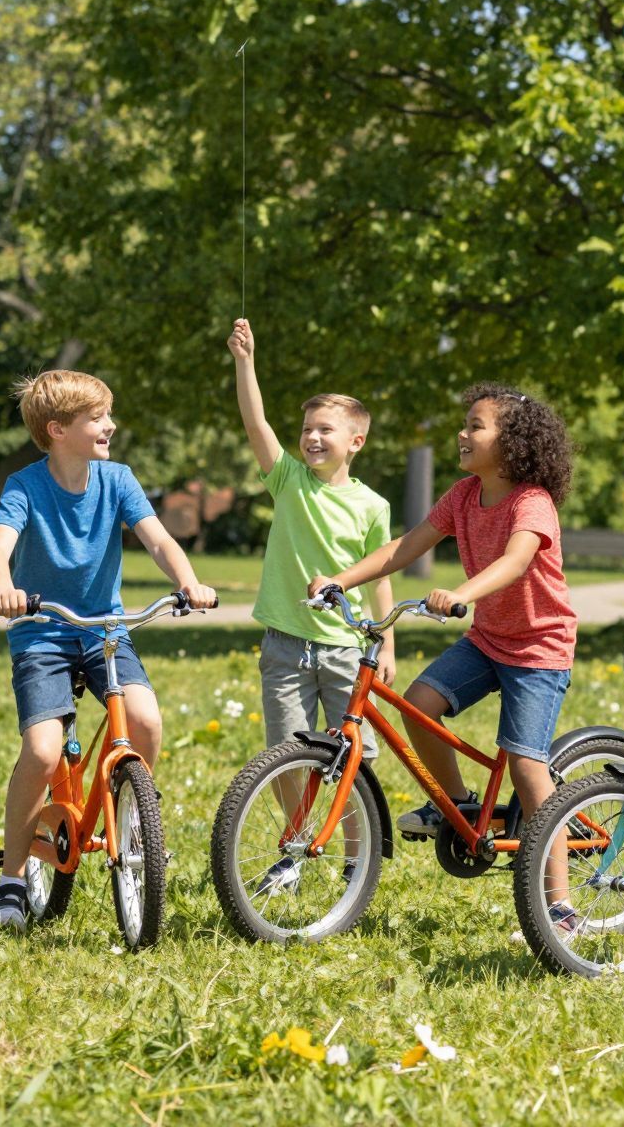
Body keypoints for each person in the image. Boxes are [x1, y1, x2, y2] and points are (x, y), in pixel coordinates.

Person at [312, 384, 579, 925]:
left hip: (538, 646)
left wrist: (462, 593)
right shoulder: (461, 496)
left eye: (476, 426)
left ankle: (561, 902)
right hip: (489, 639)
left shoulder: (532, 502)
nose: (462, 433)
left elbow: (515, 561)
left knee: (528, 765)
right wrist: (339, 579)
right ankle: (456, 805)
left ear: (513, 443)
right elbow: (403, 548)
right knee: (420, 702)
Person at [0, 369, 216, 931]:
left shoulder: (118, 480)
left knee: (145, 721)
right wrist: (3, 589)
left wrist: (187, 580)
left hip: (104, 628)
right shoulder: (25, 486)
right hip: (43, 630)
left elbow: (157, 538)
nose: (110, 425)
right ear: (58, 429)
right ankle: (12, 881)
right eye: (97, 418)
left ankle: (133, 824)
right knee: (41, 751)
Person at [227, 318, 393, 892]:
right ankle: (295, 849)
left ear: (356, 441)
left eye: (326, 430)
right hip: (285, 644)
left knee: (352, 761)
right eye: (307, 429)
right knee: (285, 755)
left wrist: (386, 641)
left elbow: (381, 578)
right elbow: (255, 422)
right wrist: (246, 363)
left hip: (347, 649)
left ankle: (356, 857)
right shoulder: (289, 481)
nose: (312, 438)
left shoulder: (372, 506)